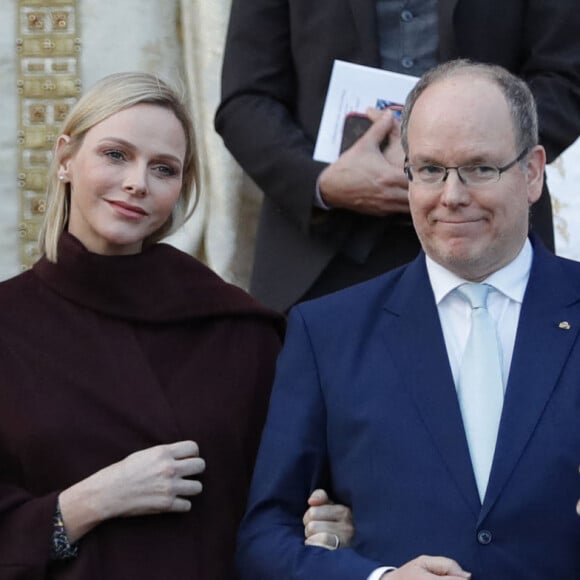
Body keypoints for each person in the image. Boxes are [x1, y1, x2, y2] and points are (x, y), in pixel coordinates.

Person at [235, 60, 580, 579]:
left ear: (532, 173)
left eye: (480, 168)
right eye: (430, 170)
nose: (452, 195)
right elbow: (263, 538)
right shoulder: (327, 333)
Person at [0, 72, 347, 580]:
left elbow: (292, 508)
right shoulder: (7, 324)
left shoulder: (241, 331)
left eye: (163, 168)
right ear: (66, 158)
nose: (138, 182)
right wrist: (87, 502)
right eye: (116, 155)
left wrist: (329, 528)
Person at [215, 0, 580, 313]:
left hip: (492, 244)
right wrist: (320, 183)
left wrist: (472, 160)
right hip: (322, 259)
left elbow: (565, 78)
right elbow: (246, 100)